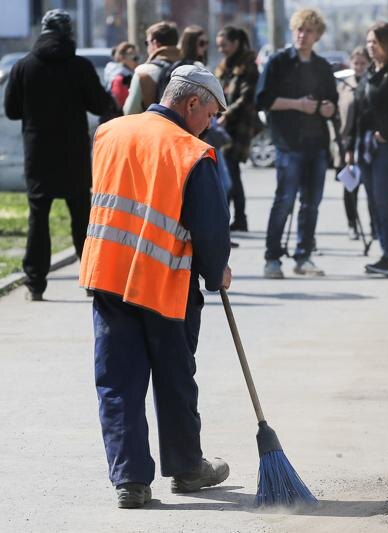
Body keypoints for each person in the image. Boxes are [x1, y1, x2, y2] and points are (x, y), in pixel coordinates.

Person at [79, 65, 232, 509]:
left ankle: (130, 481)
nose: (210, 123)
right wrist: (216, 270)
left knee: (117, 381)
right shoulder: (191, 152)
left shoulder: (109, 132)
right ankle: (186, 469)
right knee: (175, 378)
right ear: (191, 104)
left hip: (108, 275)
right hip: (165, 283)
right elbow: (209, 227)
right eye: (210, 113)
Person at [4, 9, 115, 301]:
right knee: (81, 215)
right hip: (73, 152)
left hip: (38, 152)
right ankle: (92, 279)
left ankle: (35, 283)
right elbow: (99, 104)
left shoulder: (24, 66)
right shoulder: (80, 66)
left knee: (38, 217)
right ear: (68, 33)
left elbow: (12, 110)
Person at [256, 9, 338, 278]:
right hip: (288, 142)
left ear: (317, 36)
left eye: (309, 31)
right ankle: (272, 258)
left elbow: (332, 103)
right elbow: (263, 100)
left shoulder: (323, 67)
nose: (303, 35)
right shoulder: (278, 62)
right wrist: (298, 105)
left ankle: (304, 256)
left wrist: (327, 108)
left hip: (316, 143)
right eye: (299, 30)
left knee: (311, 204)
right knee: (284, 200)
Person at [348, 22, 388, 277]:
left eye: (374, 42)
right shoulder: (371, 72)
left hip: (386, 146)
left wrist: (386, 133)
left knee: (386, 203)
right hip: (364, 147)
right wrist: (349, 147)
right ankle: (384, 253)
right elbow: (358, 111)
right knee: (374, 202)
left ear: (387, 44)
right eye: (368, 42)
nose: (370, 47)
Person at [216, 26, 259, 233]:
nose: (221, 49)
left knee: (231, 172)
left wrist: (227, 114)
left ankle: (238, 218)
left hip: (239, 127)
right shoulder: (224, 66)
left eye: (224, 45)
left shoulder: (248, 65)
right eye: (219, 46)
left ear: (235, 43)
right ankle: (235, 217)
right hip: (222, 125)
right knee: (230, 172)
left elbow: (246, 97)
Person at [336, 46, 375, 240]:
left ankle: (374, 225)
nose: (359, 67)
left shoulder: (372, 83)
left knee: (372, 188)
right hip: (346, 143)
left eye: (363, 63)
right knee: (350, 187)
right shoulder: (344, 85)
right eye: (356, 63)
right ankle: (352, 224)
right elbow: (338, 115)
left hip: (367, 144)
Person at [123, 21, 181, 115]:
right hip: (183, 129)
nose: (147, 47)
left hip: (152, 127)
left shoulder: (143, 72)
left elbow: (129, 111)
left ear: (155, 43)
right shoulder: (193, 67)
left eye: (147, 43)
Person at [105, 42, 139, 108]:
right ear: (123, 58)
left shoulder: (114, 73)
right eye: (135, 58)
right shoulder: (121, 78)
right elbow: (122, 105)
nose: (137, 61)